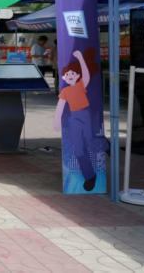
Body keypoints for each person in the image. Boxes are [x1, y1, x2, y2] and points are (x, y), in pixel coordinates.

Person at [55, 48, 100, 192]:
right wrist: (57, 120)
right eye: (67, 74)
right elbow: (60, 106)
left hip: (85, 114)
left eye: (73, 73)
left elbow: (86, 75)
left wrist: (80, 58)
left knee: (89, 140)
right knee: (78, 148)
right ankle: (89, 176)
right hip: (74, 117)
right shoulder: (65, 91)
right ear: (63, 78)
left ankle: (105, 145)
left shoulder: (81, 84)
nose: (70, 76)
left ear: (77, 76)